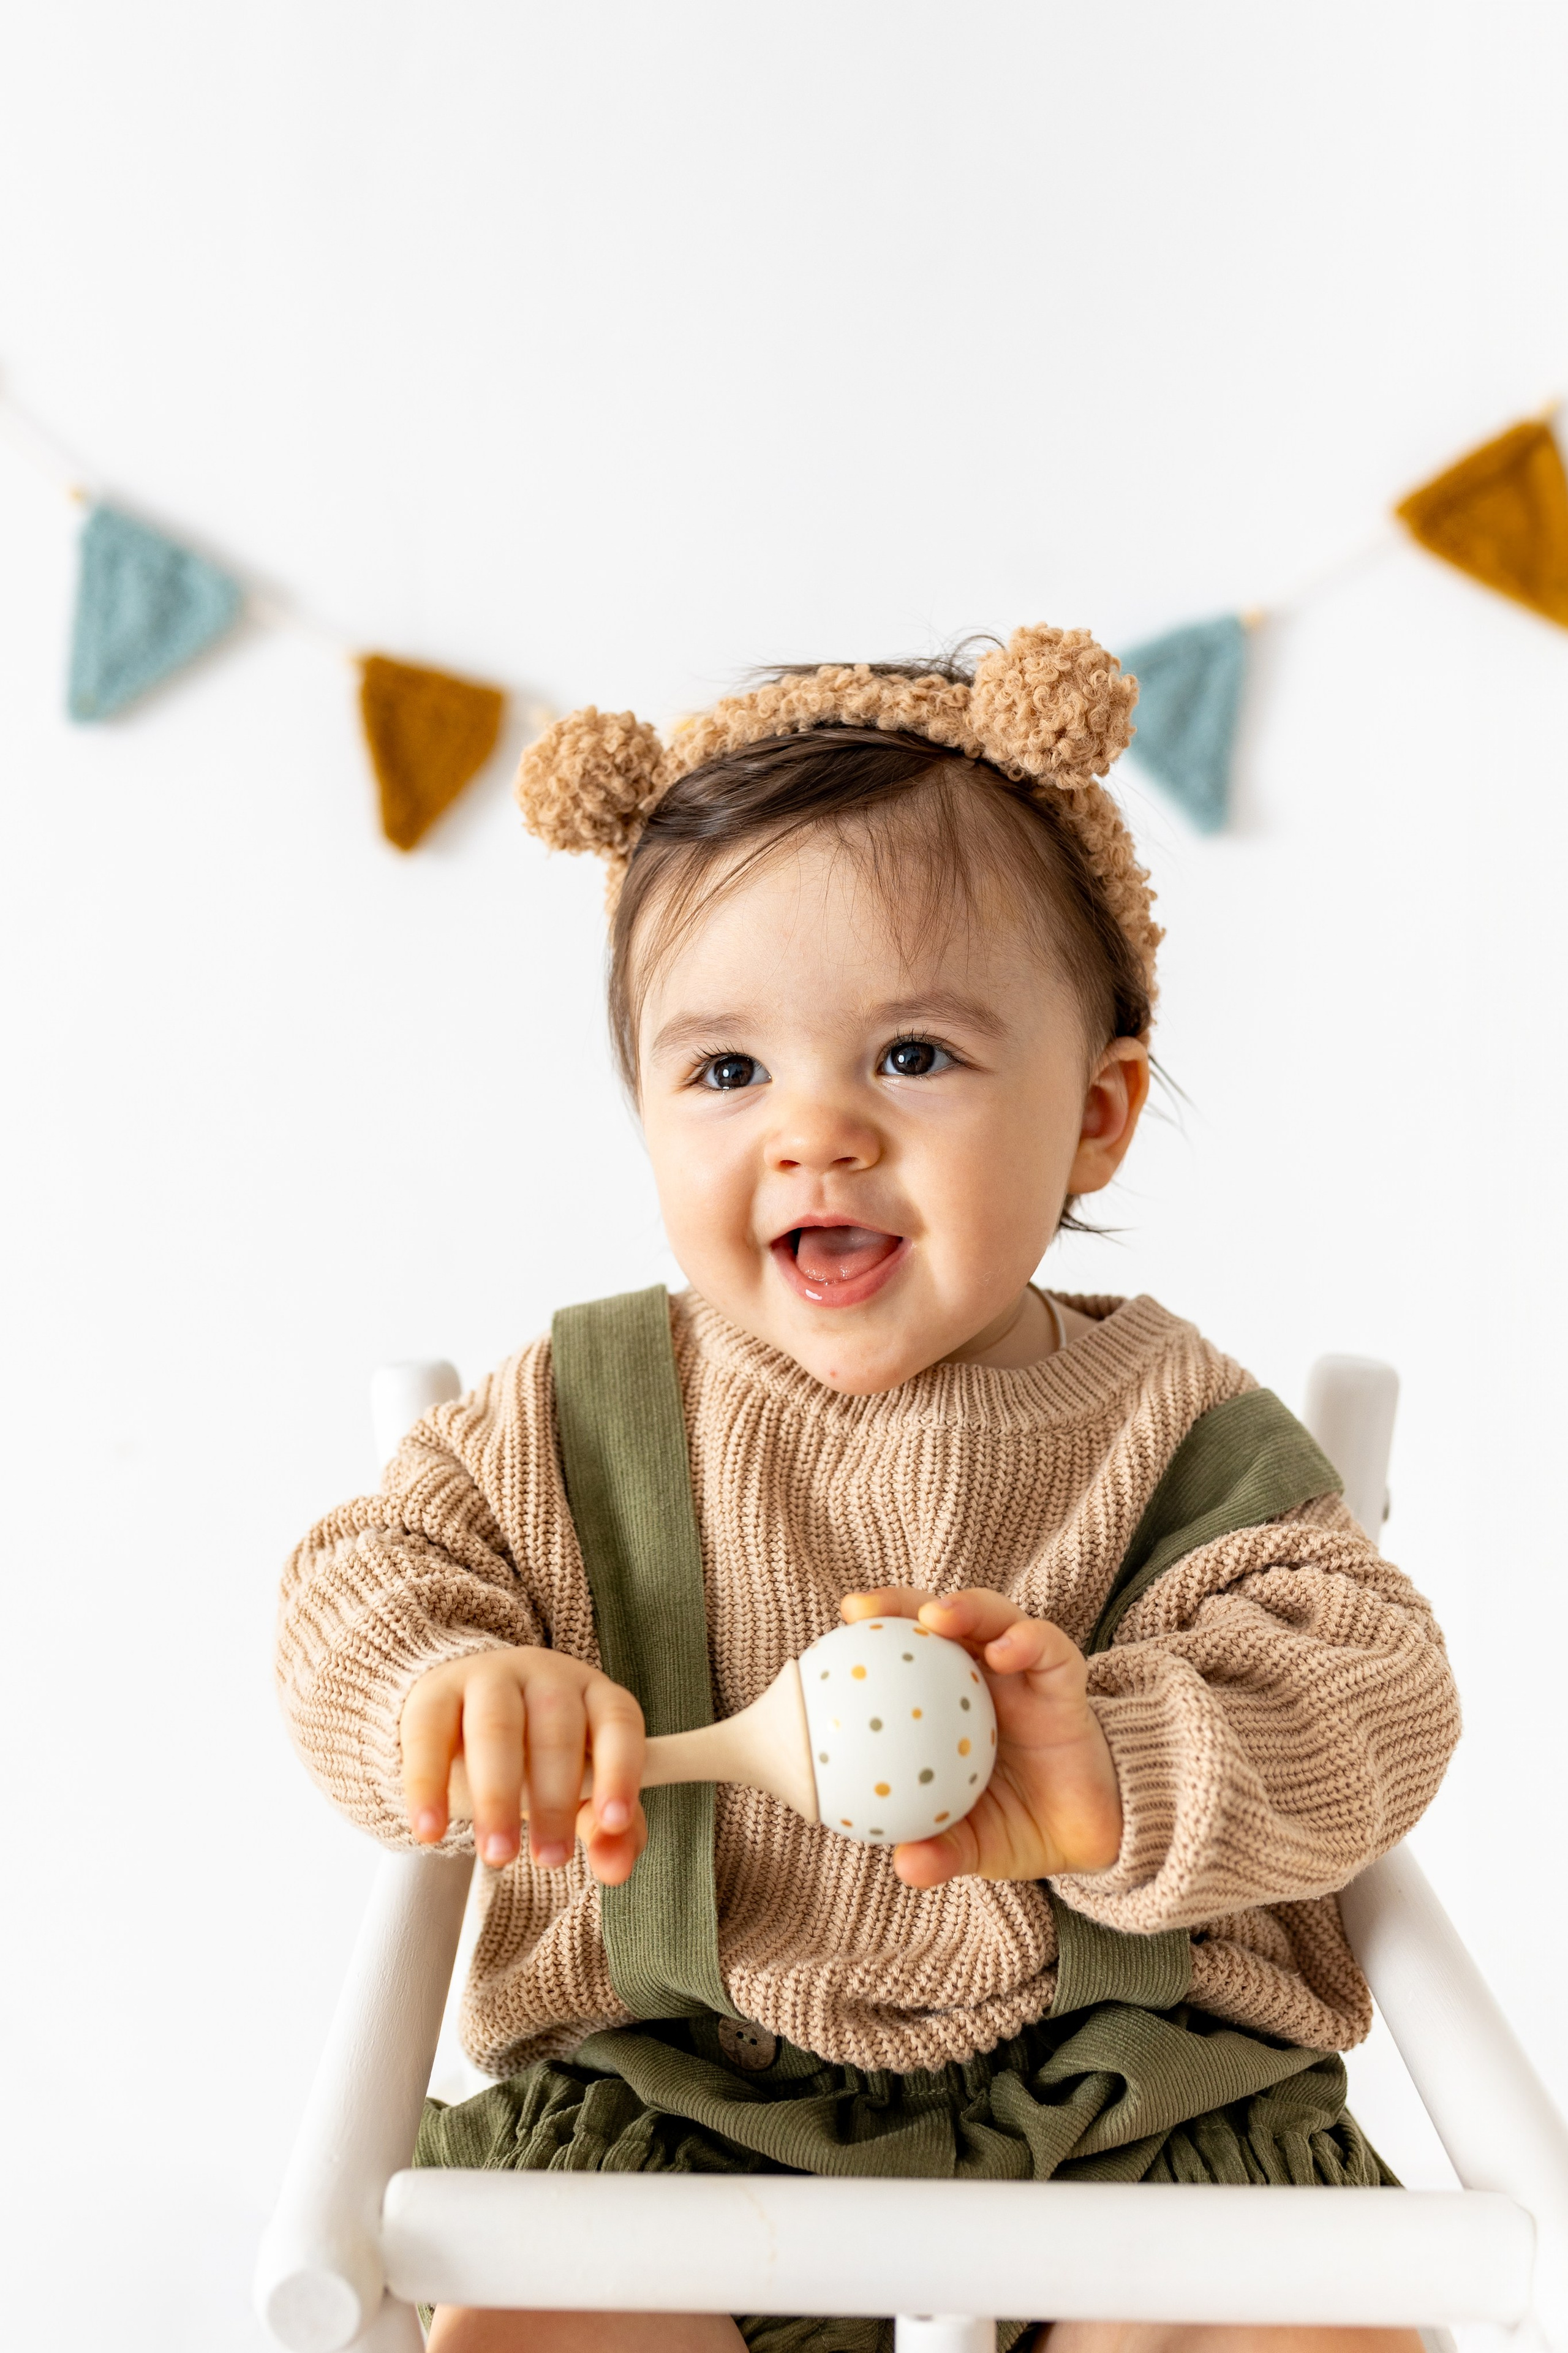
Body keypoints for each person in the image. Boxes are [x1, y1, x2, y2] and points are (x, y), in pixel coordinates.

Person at [276, 626, 1460, 2353]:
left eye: (912, 1054)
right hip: (678, 2108)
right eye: (728, 1069)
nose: (814, 1130)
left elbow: (1374, 1692)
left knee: (1290, 2319)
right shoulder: (582, 1415)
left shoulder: (1181, 1425)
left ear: (1096, 1116)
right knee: (548, 2321)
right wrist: (450, 1690)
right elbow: (365, 1576)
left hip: (1148, 2112)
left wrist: (1123, 1761)